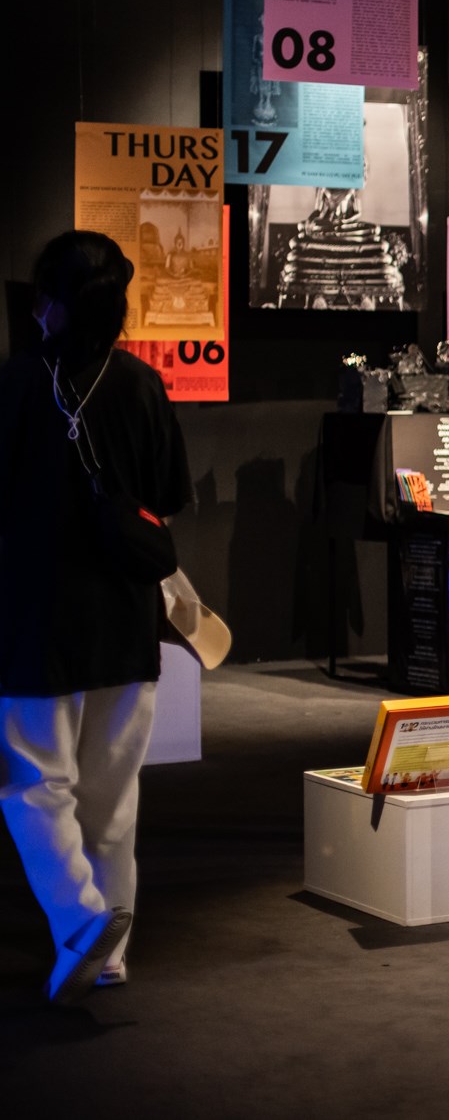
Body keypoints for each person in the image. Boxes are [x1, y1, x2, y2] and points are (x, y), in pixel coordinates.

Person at [0, 231, 191, 1005]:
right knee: (113, 805)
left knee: (33, 786)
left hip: (35, 623)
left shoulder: (16, 383)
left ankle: (82, 921)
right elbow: (168, 500)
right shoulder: (143, 385)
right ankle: (108, 956)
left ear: (51, 302)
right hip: (125, 624)